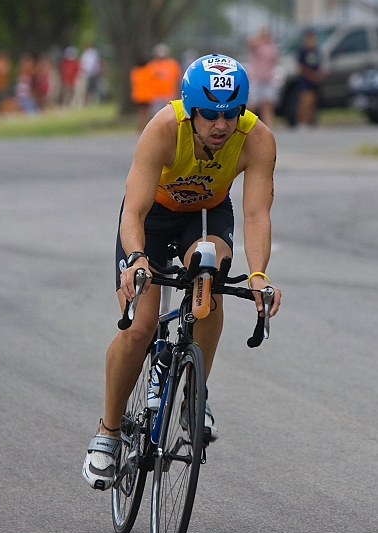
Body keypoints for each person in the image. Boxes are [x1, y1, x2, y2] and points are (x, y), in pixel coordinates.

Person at [82, 54, 281, 491]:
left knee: (210, 272)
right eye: (209, 113)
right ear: (190, 111)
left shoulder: (257, 138)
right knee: (141, 326)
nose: (221, 124)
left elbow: (255, 213)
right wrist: (136, 260)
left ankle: (195, 392)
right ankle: (108, 433)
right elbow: (133, 208)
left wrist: (259, 275)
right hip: (151, 219)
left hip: (206, 215)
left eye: (232, 113)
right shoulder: (163, 128)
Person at [246, 27, 279, 129]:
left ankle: (267, 127)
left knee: (267, 104)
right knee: (252, 105)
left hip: (267, 78)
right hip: (256, 78)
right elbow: (248, 44)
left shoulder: (272, 47)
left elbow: (275, 60)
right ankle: (247, 124)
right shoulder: (257, 44)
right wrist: (259, 39)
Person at [296, 30, 324, 127]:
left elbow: (319, 65)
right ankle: (301, 122)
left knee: (313, 102)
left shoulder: (316, 51)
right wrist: (311, 75)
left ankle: (310, 121)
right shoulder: (303, 52)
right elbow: (301, 67)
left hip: (315, 81)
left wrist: (319, 74)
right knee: (305, 101)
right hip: (306, 80)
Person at [147, 43, 181, 115]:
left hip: (169, 94)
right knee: (156, 114)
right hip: (156, 95)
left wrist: (177, 92)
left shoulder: (172, 64)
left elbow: (177, 78)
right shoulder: (152, 65)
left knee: (170, 114)